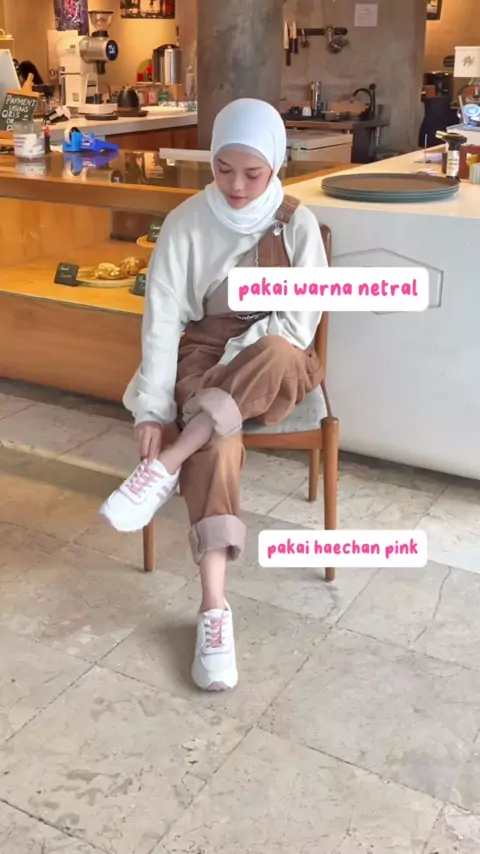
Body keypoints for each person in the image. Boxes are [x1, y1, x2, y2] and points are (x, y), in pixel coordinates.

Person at [99, 97, 328, 692]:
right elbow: (162, 321)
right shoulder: (186, 222)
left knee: (274, 350)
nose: (237, 186)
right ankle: (213, 611)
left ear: (275, 164)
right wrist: (153, 409)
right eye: (224, 169)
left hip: (277, 364)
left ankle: (167, 465)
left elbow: (297, 326)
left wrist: (228, 372)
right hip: (201, 357)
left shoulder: (297, 224)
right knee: (219, 443)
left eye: (253, 173)